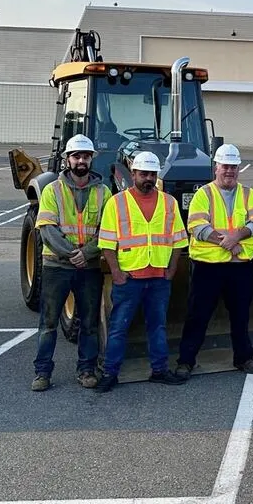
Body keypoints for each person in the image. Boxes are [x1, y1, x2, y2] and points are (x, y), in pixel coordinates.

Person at [95, 151, 188, 393]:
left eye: (152, 174)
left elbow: (178, 240)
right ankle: (110, 373)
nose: (148, 178)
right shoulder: (116, 203)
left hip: (159, 278)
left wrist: (171, 269)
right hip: (130, 279)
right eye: (143, 174)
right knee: (119, 327)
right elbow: (106, 243)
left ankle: (159, 370)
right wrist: (116, 272)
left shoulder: (169, 202)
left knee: (157, 326)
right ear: (133, 174)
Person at [174, 144, 253, 379]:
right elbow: (196, 226)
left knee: (240, 315)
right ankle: (186, 361)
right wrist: (227, 242)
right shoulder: (203, 194)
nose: (229, 171)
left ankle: (244, 358)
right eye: (225, 166)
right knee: (198, 315)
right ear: (216, 167)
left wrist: (237, 236)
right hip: (208, 267)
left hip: (240, 267)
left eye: (234, 167)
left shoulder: (249, 194)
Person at [30, 134, 110, 392]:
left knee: (88, 323)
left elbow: (107, 232)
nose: (81, 161)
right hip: (57, 266)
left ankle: (86, 370)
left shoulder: (104, 192)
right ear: (67, 159)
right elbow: (47, 229)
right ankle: (42, 372)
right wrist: (71, 254)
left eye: (86, 156)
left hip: (89, 267)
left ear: (91, 159)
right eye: (76, 156)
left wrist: (85, 254)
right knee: (49, 323)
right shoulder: (52, 190)